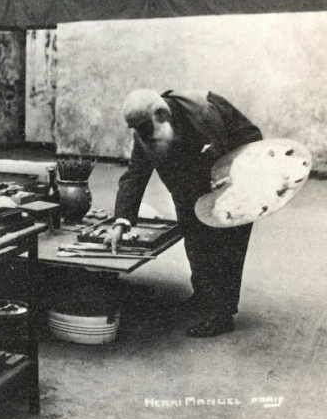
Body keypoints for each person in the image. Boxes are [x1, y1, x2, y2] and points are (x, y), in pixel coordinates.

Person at [100, 89, 262, 338]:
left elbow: (252, 137)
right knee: (195, 242)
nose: (144, 137)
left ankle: (222, 314)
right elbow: (134, 175)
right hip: (188, 190)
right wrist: (120, 223)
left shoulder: (205, 110)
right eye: (139, 131)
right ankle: (203, 296)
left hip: (231, 187)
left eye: (146, 129)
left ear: (161, 114)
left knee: (225, 248)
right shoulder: (146, 132)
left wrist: (233, 170)